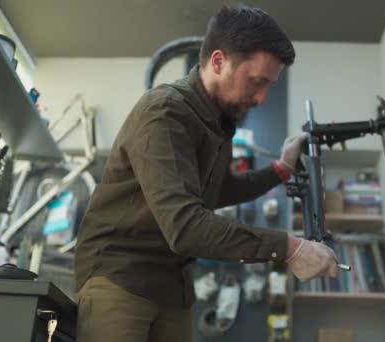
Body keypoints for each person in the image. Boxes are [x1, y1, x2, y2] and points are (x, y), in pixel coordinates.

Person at [74, 5, 338, 342]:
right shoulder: (165, 111)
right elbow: (185, 226)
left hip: (173, 289)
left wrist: (281, 170)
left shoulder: (219, 125)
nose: (261, 98)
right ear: (218, 61)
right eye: (256, 82)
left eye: (269, 86)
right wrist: (288, 247)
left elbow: (219, 190)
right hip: (121, 277)